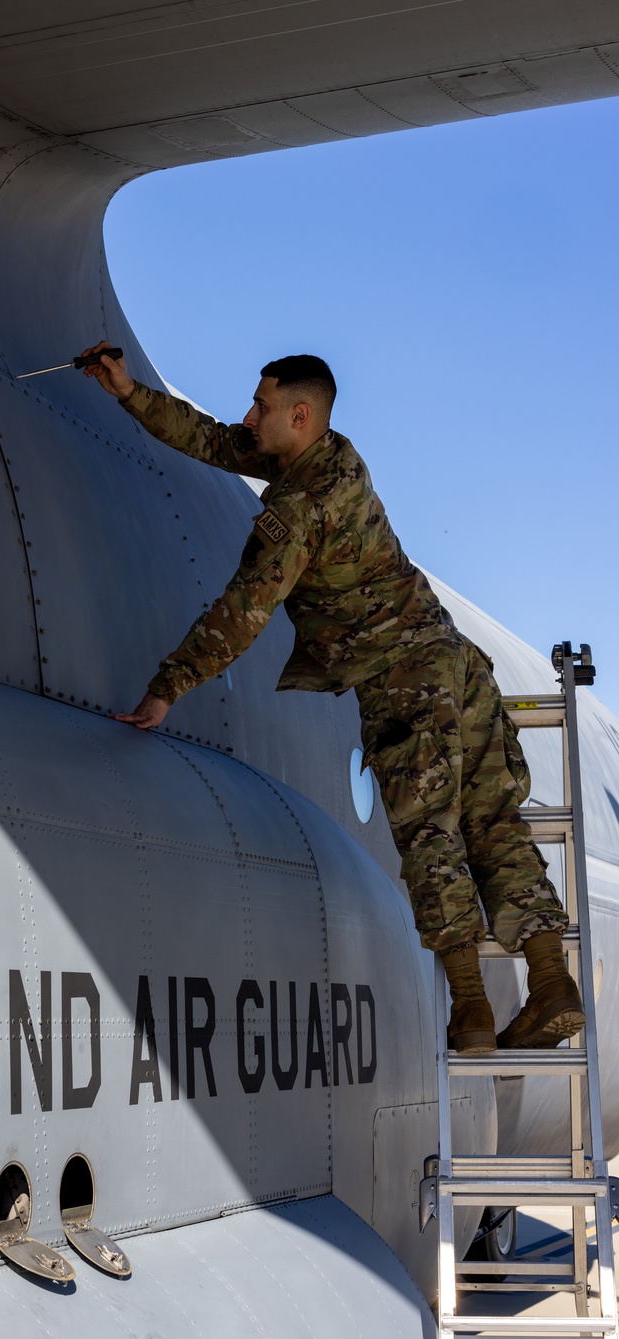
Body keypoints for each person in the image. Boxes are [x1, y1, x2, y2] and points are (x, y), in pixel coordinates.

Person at [82, 341, 584, 1056]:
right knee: (493, 824)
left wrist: (169, 688)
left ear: (300, 413)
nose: (249, 415)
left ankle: (471, 1010)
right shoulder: (334, 456)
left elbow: (244, 609)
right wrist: (130, 392)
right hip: (458, 666)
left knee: (431, 840)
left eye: (262, 404)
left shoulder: (300, 507)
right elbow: (221, 443)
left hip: (405, 681)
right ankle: (551, 984)